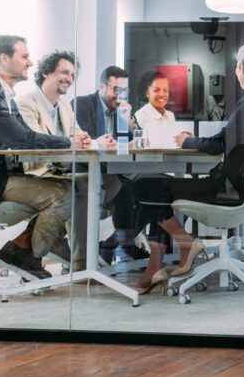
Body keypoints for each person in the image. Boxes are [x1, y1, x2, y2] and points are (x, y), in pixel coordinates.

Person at [0, 35, 85, 280]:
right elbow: (21, 139)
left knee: (71, 187)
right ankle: (28, 256)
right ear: (4, 59)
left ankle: (20, 249)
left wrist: (70, 142)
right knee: (63, 195)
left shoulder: (2, 95)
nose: (30, 62)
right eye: (24, 56)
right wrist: (68, 142)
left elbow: (26, 137)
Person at [16, 50, 111, 270]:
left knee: (99, 182)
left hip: (59, 171)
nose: (69, 78)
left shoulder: (65, 106)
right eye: (64, 72)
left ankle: (78, 257)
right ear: (47, 73)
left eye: (72, 75)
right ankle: (76, 259)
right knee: (84, 185)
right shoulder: (26, 103)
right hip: (35, 173)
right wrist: (71, 141)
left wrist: (94, 142)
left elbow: (78, 137)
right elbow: (35, 142)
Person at [173, 42, 244, 200]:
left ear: (241, 68)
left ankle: (176, 226)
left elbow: (218, 145)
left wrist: (186, 141)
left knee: (148, 187)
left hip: (229, 189)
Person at [126, 71, 203, 294]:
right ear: (146, 92)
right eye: (156, 90)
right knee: (151, 191)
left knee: (155, 195)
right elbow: (149, 143)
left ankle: (155, 267)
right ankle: (184, 242)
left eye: (165, 90)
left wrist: (183, 136)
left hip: (160, 172)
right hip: (140, 172)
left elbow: (170, 142)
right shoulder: (141, 116)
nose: (162, 94)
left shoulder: (169, 116)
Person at [72, 66, 154, 264]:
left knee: (153, 187)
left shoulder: (122, 109)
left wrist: (128, 124)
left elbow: (133, 142)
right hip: (89, 170)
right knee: (126, 190)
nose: (120, 96)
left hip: (116, 170)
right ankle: (123, 245)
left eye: (124, 91)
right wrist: (108, 142)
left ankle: (115, 244)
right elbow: (88, 141)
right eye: (116, 90)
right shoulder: (82, 104)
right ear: (102, 87)